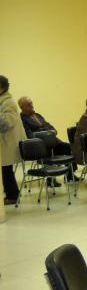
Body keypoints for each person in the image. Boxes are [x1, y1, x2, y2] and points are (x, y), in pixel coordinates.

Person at [18, 96, 79, 183]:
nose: (32, 105)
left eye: (31, 103)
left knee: (69, 148)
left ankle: (70, 175)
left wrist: (50, 131)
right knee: (49, 152)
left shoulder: (38, 115)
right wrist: (45, 133)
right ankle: (50, 179)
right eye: (28, 104)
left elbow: (51, 127)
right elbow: (29, 134)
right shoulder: (22, 119)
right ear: (22, 107)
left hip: (53, 141)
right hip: (40, 145)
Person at [0, 76, 27, 205]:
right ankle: (12, 194)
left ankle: (12, 196)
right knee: (6, 170)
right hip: (6, 141)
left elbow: (7, 122)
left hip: (9, 142)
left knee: (6, 170)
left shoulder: (8, 102)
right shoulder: (3, 101)